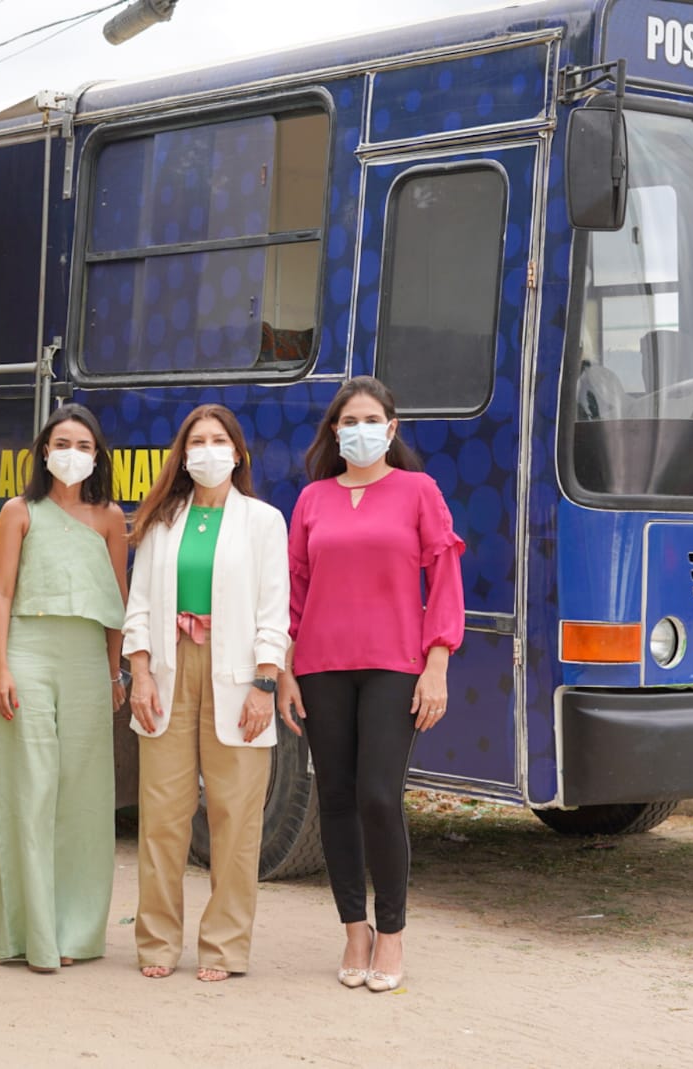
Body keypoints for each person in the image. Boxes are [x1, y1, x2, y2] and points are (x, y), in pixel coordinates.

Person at [278, 376, 465, 993]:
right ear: (335, 431)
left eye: (370, 420)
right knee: (334, 799)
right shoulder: (313, 500)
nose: (358, 430)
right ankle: (353, 929)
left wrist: (436, 664)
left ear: (390, 428)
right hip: (321, 667)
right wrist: (285, 670)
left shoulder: (419, 491)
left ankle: (391, 934)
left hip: (395, 666)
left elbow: (444, 579)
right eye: (347, 420)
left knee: (379, 797)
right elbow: (294, 592)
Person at [123, 404, 290, 982]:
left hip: (240, 676)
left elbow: (275, 611)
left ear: (238, 453)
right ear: (182, 455)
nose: (208, 451)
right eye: (197, 442)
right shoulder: (162, 519)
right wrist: (139, 673)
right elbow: (139, 604)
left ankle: (223, 947)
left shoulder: (264, 522)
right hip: (168, 675)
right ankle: (157, 942)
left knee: (236, 818)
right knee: (163, 818)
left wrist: (265, 683)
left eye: (219, 440)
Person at [0, 404, 128, 973]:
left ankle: (76, 932)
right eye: (62, 443)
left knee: (86, 798)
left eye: (84, 445)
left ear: (97, 456)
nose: (72, 454)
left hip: (88, 660)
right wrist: (0, 667)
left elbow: (119, 601)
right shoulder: (20, 511)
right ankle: (32, 934)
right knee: (30, 789)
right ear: (44, 451)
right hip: (27, 651)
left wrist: (116, 670)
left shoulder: (111, 518)